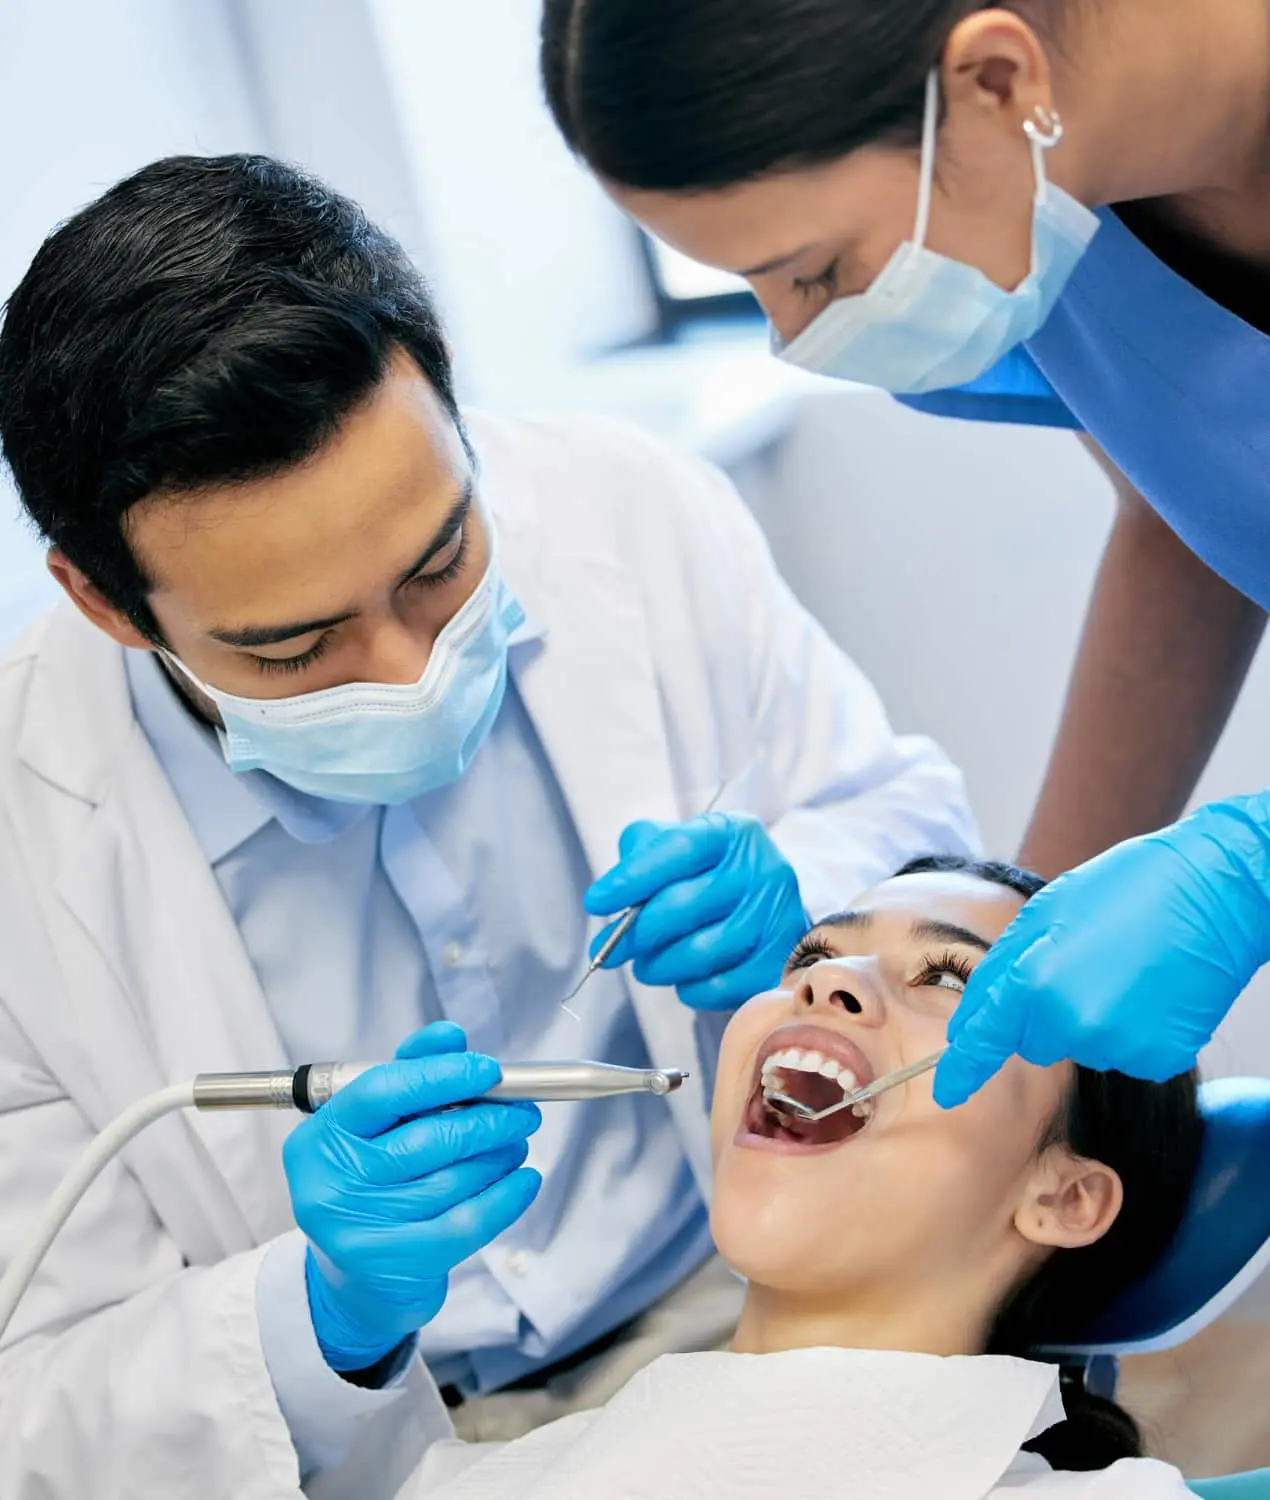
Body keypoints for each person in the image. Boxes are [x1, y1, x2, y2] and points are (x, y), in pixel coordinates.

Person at [0, 154, 974, 1499]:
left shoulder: (634, 516)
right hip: (372, 1453)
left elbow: (906, 814)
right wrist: (322, 1313)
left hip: (744, 1313)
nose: (407, 671)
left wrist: (799, 900)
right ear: (104, 602)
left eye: (438, 565)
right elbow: (34, 1397)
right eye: (292, 647)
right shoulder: (24, 843)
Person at [539, 0, 1270, 1112]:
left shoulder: (1006, 165)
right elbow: (1191, 514)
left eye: (814, 269)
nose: (790, 337)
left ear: (991, 82)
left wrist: (1251, 872)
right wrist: (1019, 921)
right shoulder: (1045, 189)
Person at [387, 856, 1204, 1498]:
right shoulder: (470, 1482)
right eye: (813, 954)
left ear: (1063, 1198)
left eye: (949, 978)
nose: (824, 981)